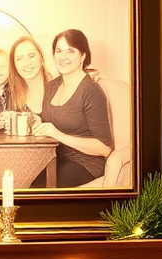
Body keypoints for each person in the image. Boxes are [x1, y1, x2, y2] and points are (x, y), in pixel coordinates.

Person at [31, 29, 113, 187]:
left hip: (84, 163)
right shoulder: (52, 86)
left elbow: (104, 148)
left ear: (83, 55)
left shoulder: (90, 90)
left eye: (70, 51)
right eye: (59, 51)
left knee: (40, 191)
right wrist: (37, 120)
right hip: (54, 159)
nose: (63, 57)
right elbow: (54, 119)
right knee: (22, 180)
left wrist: (58, 135)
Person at [7, 36, 49, 114]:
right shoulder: (10, 95)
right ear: (14, 65)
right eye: (19, 59)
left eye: (31, 56)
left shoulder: (59, 88)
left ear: (41, 58)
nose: (26, 63)